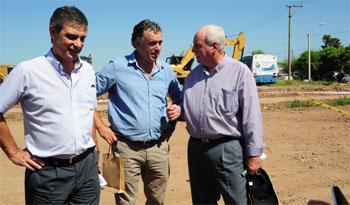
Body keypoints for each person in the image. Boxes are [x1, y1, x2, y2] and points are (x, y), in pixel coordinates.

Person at [0, 6, 100, 204]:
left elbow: (89, 112)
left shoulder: (88, 71)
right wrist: (13, 153)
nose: (78, 44)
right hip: (48, 174)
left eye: (83, 38)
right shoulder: (28, 71)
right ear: (52, 33)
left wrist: (95, 154)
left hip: (87, 168)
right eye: (72, 37)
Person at [94, 19, 182, 205]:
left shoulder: (166, 71)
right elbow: (84, 94)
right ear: (136, 43)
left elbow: (180, 99)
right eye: (152, 43)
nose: (158, 48)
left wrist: (177, 111)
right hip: (125, 149)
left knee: (157, 200)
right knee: (126, 202)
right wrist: (101, 126)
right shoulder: (117, 67)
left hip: (159, 148)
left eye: (160, 43)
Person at [180, 25, 264, 204]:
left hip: (227, 149)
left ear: (214, 47)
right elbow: (187, 108)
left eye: (197, 45)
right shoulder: (193, 76)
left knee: (236, 201)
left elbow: (252, 117)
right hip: (196, 149)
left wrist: (254, 155)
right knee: (202, 201)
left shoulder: (240, 73)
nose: (193, 50)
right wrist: (179, 110)